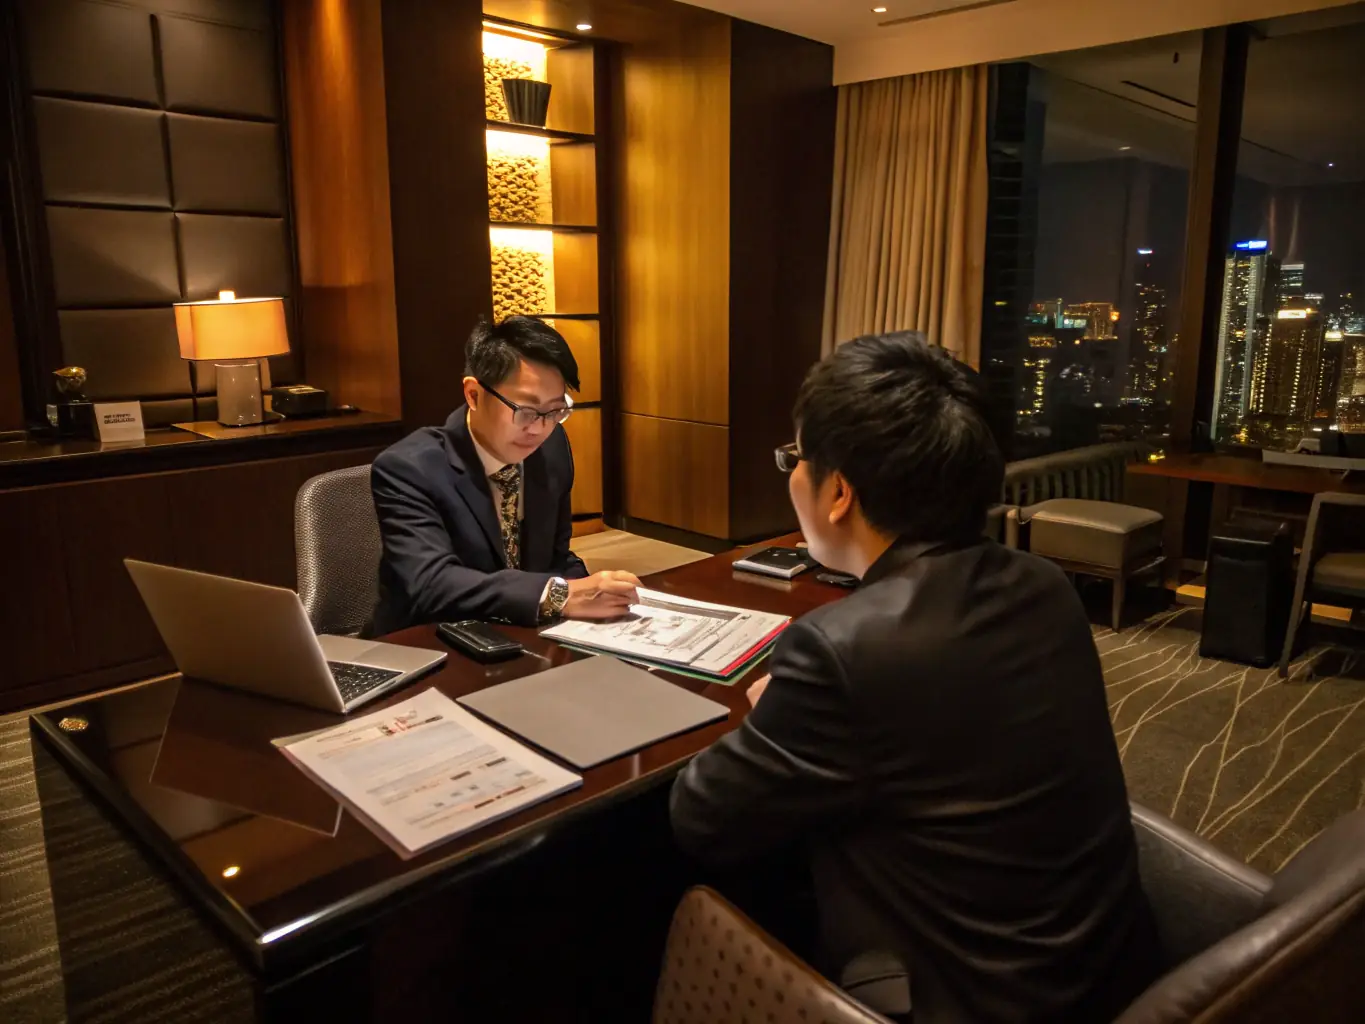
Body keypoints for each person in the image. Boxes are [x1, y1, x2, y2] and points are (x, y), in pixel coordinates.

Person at [669, 332, 1162, 1023]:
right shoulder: (1043, 584)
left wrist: (774, 704)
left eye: (795, 456)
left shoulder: (842, 647)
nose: (791, 474)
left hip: (958, 996)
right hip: (1098, 973)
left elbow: (701, 818)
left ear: (838, 490)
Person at [369, 316, 640, 634]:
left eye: (555, 411)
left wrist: (600, 594)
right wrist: (560, 595)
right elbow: (433, 583)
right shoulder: (408, 468)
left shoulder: (551, 448)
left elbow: (555, 556)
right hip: (429, 643)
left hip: (519, 635)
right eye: (525, 410)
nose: (539, 428)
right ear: (473, 395)